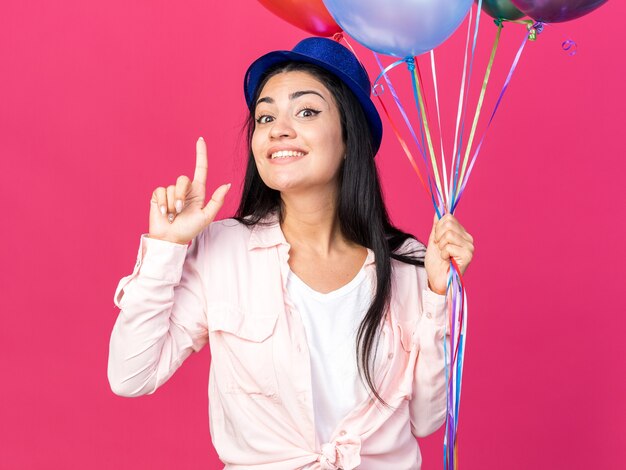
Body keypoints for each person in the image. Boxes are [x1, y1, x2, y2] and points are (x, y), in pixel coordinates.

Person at [108, 37, 474, 470]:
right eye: (266, 116)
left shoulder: (408, 260)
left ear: (348, 139)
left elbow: (427, 420)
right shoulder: (222, 251)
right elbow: (130, 376)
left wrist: (435, 292)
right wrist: (166, 248)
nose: (279, 128)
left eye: (306, 111)